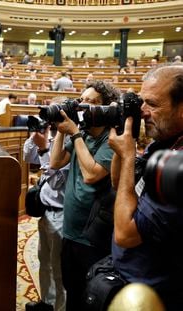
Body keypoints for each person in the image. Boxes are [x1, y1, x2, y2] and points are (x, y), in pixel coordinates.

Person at [108, 65, 183, 311]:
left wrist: (129, 157)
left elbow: (125, 233)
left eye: (152, 104)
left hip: (155, 295)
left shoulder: (178, 166)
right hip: (131, 277)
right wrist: (123, 145)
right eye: (141, 102)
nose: (142, 112)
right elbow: (120, 185)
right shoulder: (162, 143)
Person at [49, 81, 121, 311]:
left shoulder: (111, 139)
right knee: (72, 290)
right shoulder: (84, 135)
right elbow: (55, 161)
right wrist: (62, 129)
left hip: (93, 236)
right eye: (82, 100)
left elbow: (92, 174)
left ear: (106, 108)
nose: (83, 105)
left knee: (90, 298)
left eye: (91, 102)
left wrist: (74, 133)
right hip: (70, 230)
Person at [24, 124, 70, 311]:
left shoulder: (71, 144)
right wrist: (35, 136)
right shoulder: (53, 138)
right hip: (45, 212)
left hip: (61, 213)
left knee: (59, 270)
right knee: (45, 262)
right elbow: (27, 155)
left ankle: (60, 307)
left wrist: (44, 149)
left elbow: (57, 179)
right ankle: (47, 303)